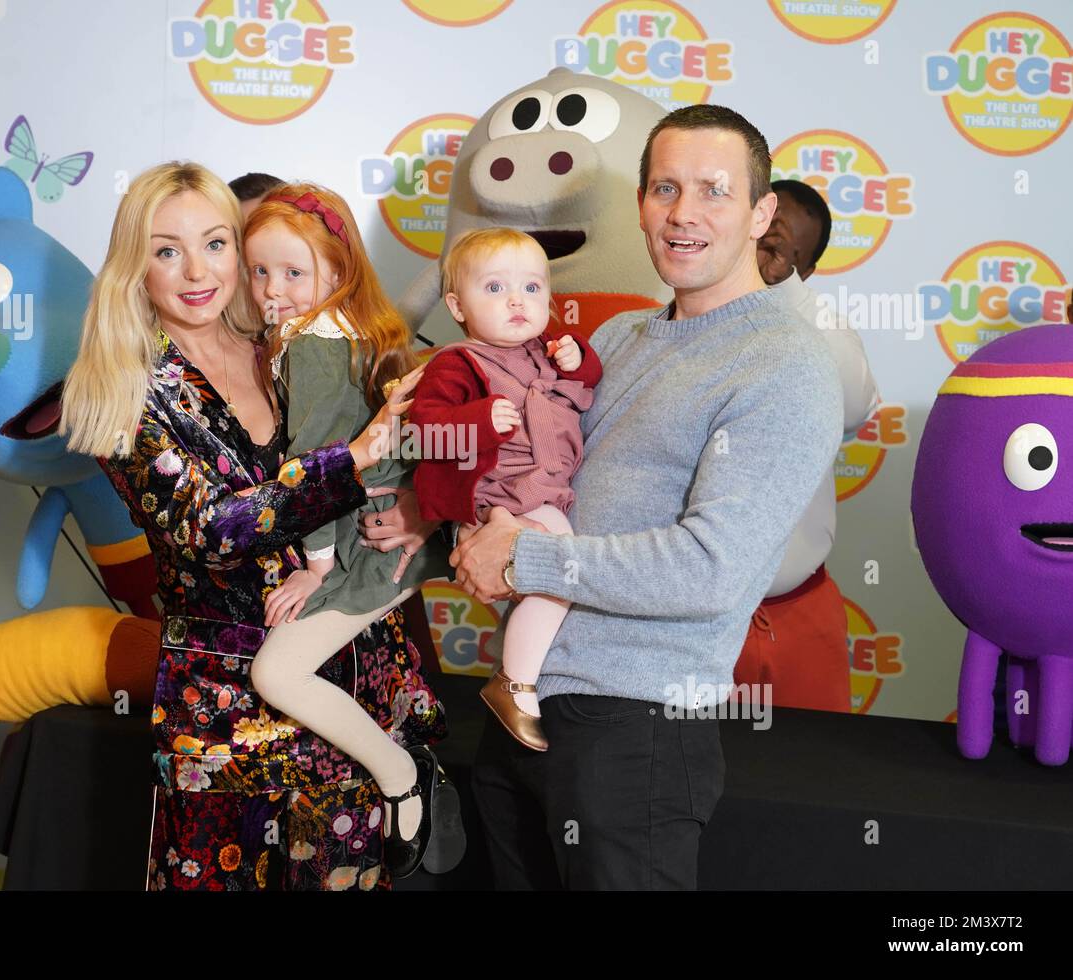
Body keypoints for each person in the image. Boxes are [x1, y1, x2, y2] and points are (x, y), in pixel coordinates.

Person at [453, 105, 843, 890]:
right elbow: (538, 480)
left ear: (762, 212)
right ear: (639, 204)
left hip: (637, 730)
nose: (684, 214)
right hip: (521, 712)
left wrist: (524, 557)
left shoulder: (786, 365)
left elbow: (710, 571)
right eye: (665, 187)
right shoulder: (619, 338)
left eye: (714, 191)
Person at [59, 161, 447, 891]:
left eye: (215, 243)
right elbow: (208, 530)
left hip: (358, 687)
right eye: (166, 249)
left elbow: (413, 438)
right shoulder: (126, 387)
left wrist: (422, 509)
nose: (196, 271)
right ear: (134, 264)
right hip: (230, 719)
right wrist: (351, 462)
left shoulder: (288, 341)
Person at [241, 183, 461, 878]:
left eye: (294, 272)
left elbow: (319, 462)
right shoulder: (332, 333)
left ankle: (402, 778)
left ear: (336, 273)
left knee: (276, 671)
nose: (274, 289)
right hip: (374, 531)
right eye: (260, 271)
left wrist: (313, 564)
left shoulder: (313, 346)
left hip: (363, 545)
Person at [410, 227, 601, 751]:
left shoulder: (547, 351)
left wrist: (577, 360)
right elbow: (422, 429)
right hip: (493, 496)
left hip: (542, 491)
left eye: (533, 288)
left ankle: (518, 679)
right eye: (495, 288)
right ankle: (515, 683)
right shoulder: (458, 362)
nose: (518, 301)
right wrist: (477, 419)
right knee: (557, 567)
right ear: (457, 305)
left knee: (559, 575)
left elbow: (588, 382)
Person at [740, 178, 880, 712]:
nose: (768, 242)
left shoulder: (818, 323)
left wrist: (784, 288)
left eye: (787, 245)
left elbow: (853, 404)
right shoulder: (667, 315)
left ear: (809, 270)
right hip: (688, 621)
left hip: (800, 616)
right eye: (764, 224)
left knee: (813, 783)